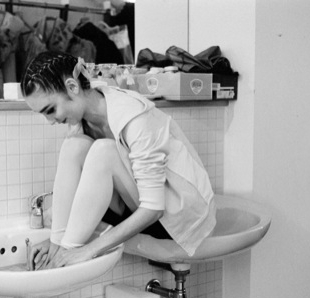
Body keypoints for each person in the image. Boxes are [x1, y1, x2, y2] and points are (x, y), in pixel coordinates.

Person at [21, 51, 216, 270]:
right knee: (73, 146)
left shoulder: (134, 117)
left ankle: (63, 257)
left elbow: (154, 208)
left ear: (72, 87)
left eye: (50, 110)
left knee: (103, 151)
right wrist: (55, 240)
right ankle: (61, 249)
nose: (50, 121)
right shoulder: (80, 123)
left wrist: (87, 250)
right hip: (137, 207)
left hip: (176, 220)